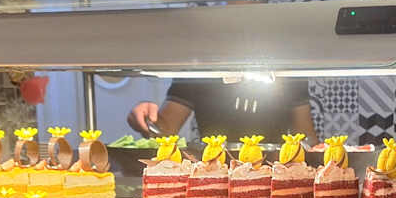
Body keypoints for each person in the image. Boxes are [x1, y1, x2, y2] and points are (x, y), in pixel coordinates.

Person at [127, 77, 317, 143]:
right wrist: (145, 118)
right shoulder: (201, 63)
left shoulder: (285, 67)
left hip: (271, 176)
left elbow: (306, 137)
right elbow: (165, 131)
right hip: (212, 174)